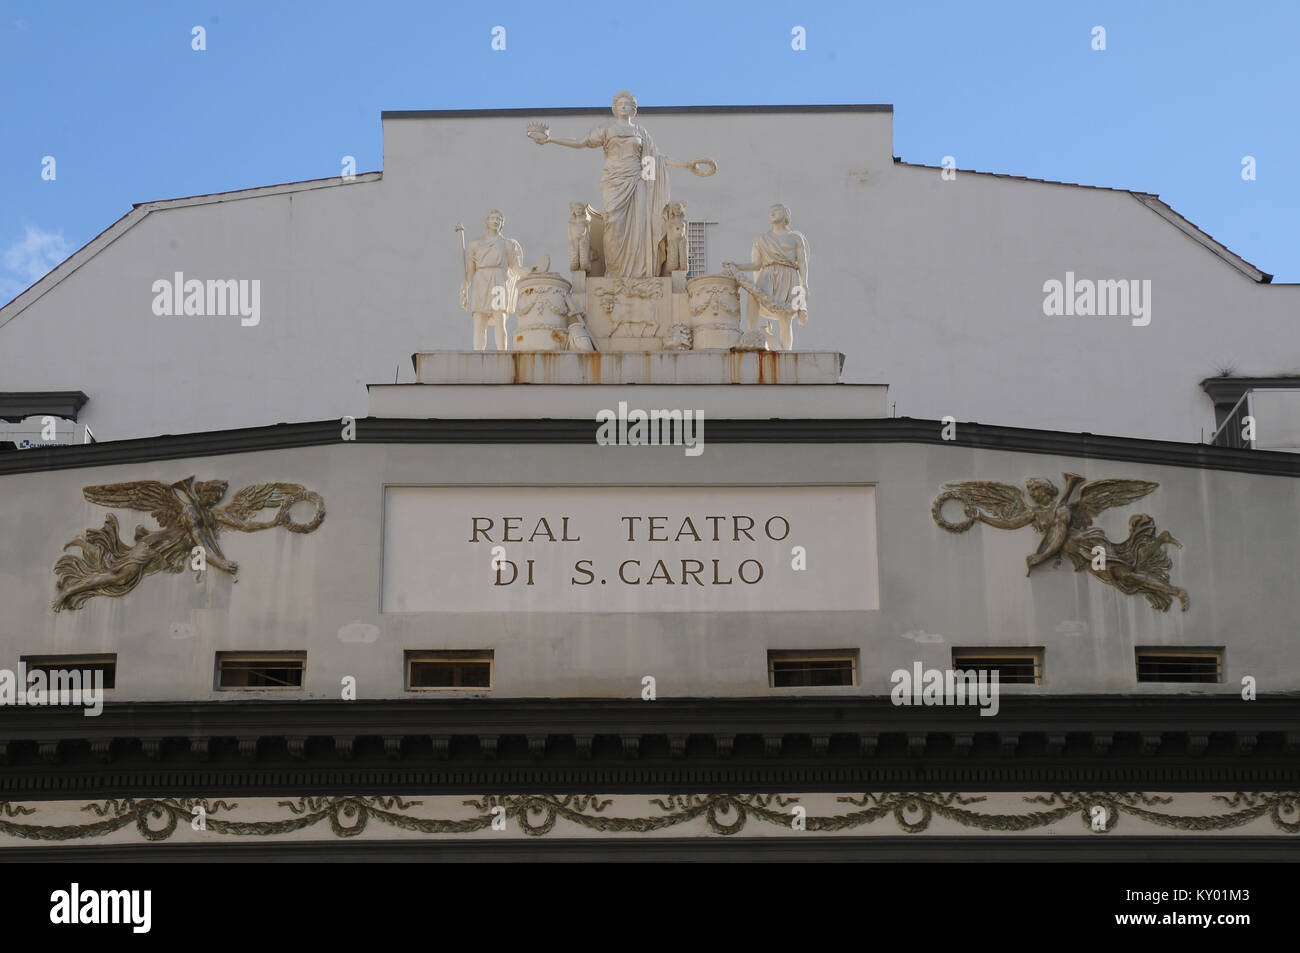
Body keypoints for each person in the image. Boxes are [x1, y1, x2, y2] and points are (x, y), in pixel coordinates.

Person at [528, 90, 713, 278]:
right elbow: (580, 142)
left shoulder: (641, 132)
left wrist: (686, 165)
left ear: (633, 109)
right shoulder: (607, 130)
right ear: (615, 109)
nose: (623, 107)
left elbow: (655, 159)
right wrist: (551, 139)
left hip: (637, 181)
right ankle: (615, 272)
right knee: (613, 226)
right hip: (613, 181)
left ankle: (640, 273)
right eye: (620, 104)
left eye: (627, 104)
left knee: (639, 227)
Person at [460, 210, 524, 351]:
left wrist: (532, 270)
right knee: (479, 321)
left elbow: (516, 268)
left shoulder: (507, 243)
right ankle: (478, 355)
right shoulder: (475, 244)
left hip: (499, 282)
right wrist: (464, 288)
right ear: (487, 221)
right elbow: (470, 271)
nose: (496, 221)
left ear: (501, 224)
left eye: (499, 219)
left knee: (500, 318)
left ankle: (502, 354)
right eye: (493, 218)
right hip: (480, 281)